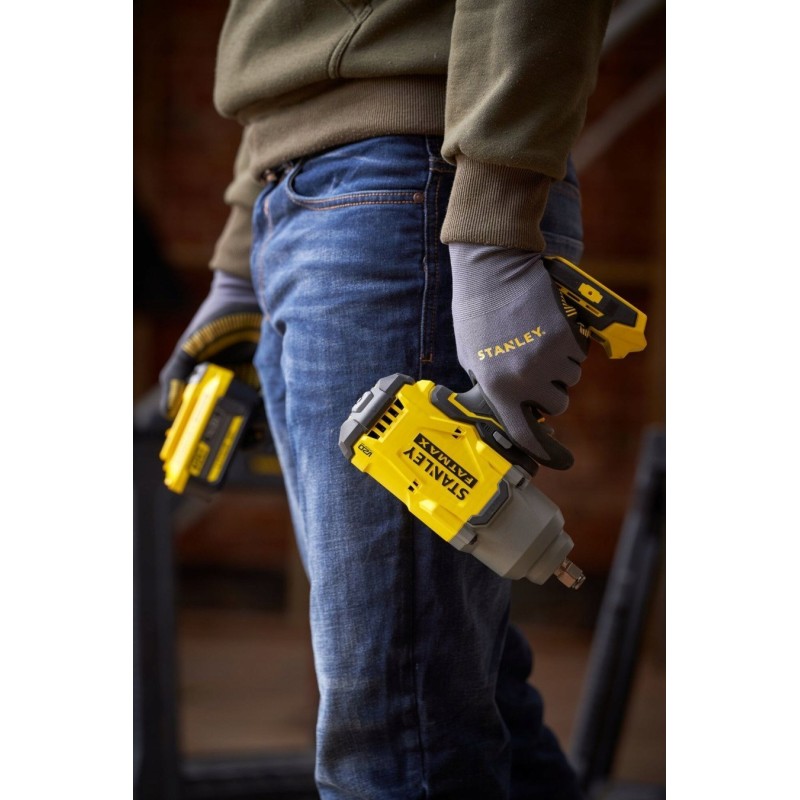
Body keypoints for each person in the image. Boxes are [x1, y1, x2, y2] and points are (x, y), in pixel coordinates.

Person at [159, 2, 614, 797]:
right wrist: (241, 259)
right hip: (299, 201)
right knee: (453, 692)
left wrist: (493, 224)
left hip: (408, 191)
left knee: (399, 730)